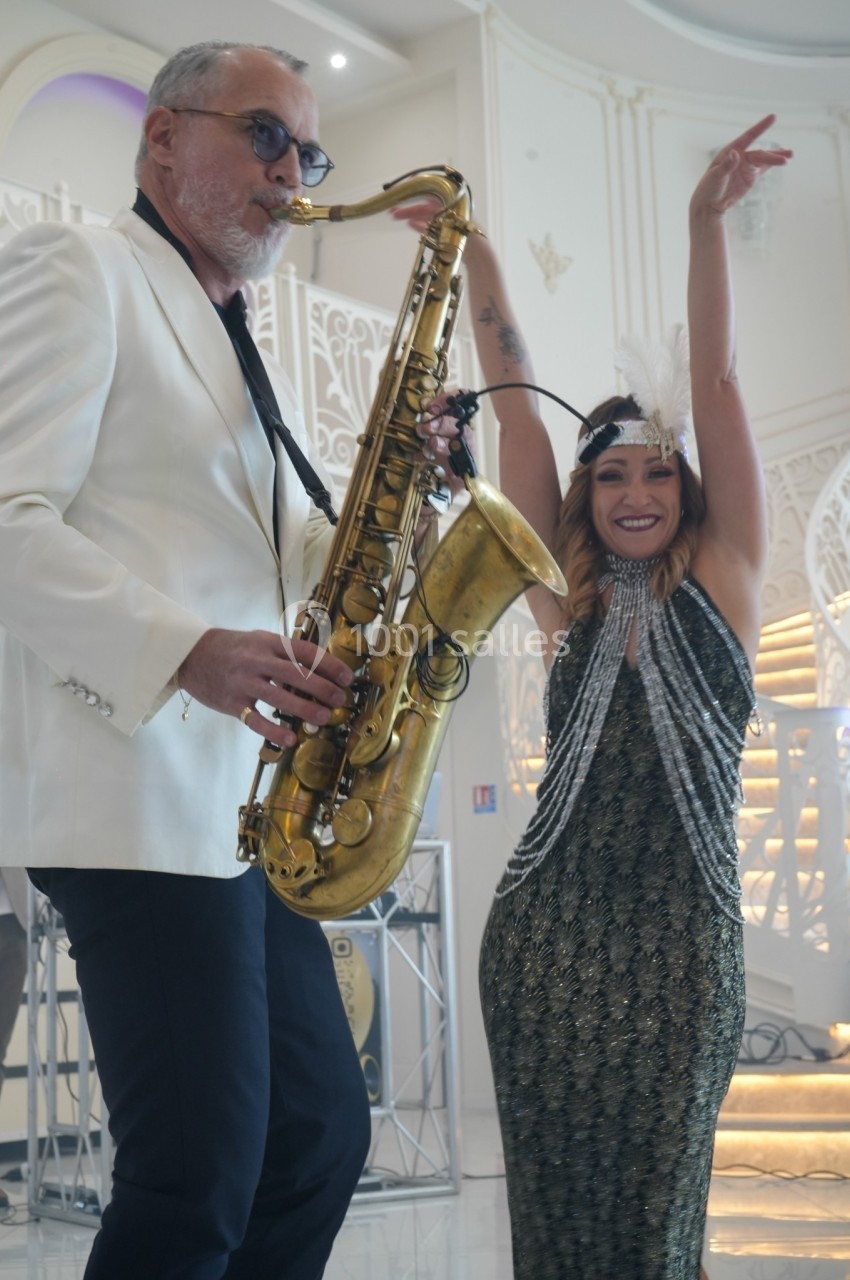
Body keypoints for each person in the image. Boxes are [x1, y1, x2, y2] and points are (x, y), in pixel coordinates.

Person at [0, 39, 465, 1280]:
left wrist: (402, 497)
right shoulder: (82, 267)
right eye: (265, 136)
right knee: (195, 1174)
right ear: (163, 137)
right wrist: (186, 650)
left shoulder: (237, 332)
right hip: (133, 793)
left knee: (316, 1138)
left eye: (309, 153)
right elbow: (8, 517)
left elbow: (299, 550)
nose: (292, 173)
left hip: (244, 812)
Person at [395, 115, 792, 1278]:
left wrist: (701, 221)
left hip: (682, 941)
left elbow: (715, 379)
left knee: (659, 1217)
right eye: (609, 473)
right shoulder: (560, 594)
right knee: (558, 1224)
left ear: (686, 485)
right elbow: (516, 408)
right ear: (584, 494)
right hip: (545, 938)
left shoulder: (727, 573)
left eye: (655, 470)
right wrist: (476, 254)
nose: (632, 491)